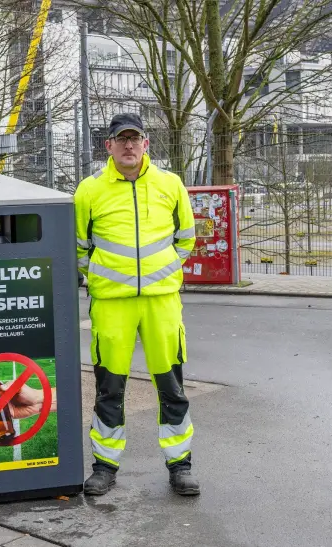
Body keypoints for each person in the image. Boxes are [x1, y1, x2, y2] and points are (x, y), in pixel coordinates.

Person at [74, 113, 199, 497]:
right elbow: (78, 247)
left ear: (147, 144)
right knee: (109, 388)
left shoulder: (170, 184)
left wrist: (164, 273)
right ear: (108, 146)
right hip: (112, 304)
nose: (129, 145)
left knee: (171, 387)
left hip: (161, 302)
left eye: (136, 138)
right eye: (121, 139)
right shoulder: (88, 190)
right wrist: (100, 278)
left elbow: (186, 238)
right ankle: (104, 467)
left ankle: (180, 466)